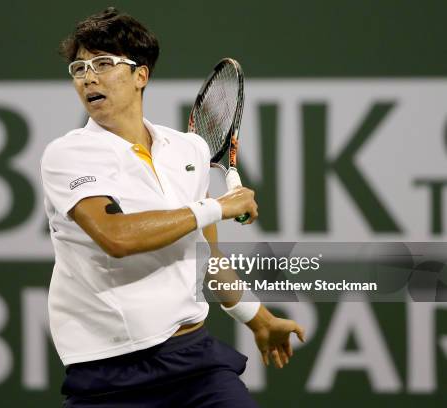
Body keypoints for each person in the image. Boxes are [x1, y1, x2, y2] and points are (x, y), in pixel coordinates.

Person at [40, 7, 304, 407]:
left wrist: (257, 317)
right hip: (107, 374)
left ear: (140, 76)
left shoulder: (188, 150)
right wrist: (216, 207)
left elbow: (206, 255)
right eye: (79, 68)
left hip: (194, 361)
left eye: (104, 64)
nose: (89, 77)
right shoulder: (68, 154)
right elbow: (116, 236)